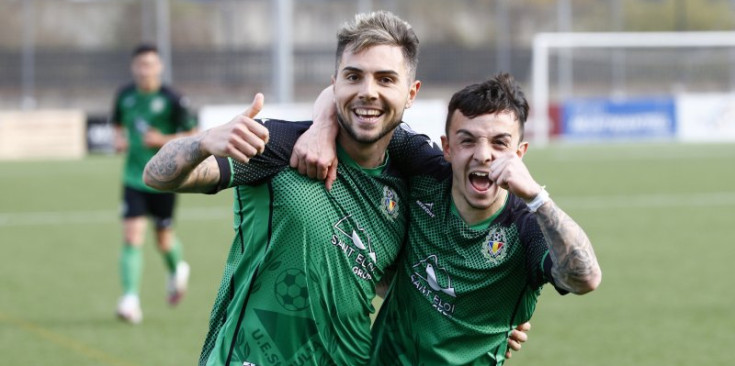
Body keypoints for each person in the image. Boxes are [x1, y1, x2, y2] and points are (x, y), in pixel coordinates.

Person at [144, 11, 527, 365]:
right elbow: (159, 176)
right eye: (353, 76)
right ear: (335, 83)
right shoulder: (278, 145)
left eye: (386, 79)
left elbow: (397, 279)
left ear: (411, 94)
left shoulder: (413, 175)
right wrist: (202, 142)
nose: (368, 92)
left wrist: (485, 315)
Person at [294, 73, 602, 365]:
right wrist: (321, 127)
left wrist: (537, 197)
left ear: (519, 153)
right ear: (447, 148)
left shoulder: (528, 229)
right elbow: (340, 98)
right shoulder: (424, 169)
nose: (483, 155)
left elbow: (586, 278)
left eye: (499, 143)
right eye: (467, 141)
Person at [111, 43, 197, 324]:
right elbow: (117, 125)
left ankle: (177, 268)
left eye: (150, 64)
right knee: (132, 236)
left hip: (164, 180)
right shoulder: (124, 96)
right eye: (140, 65)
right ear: (133, 67)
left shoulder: (173, 99)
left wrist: (161, 140)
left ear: (159, 67)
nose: (144, 70)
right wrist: (119, 139)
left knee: (163, 240)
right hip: (133, 179)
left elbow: (194, 134)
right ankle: (130, 299)